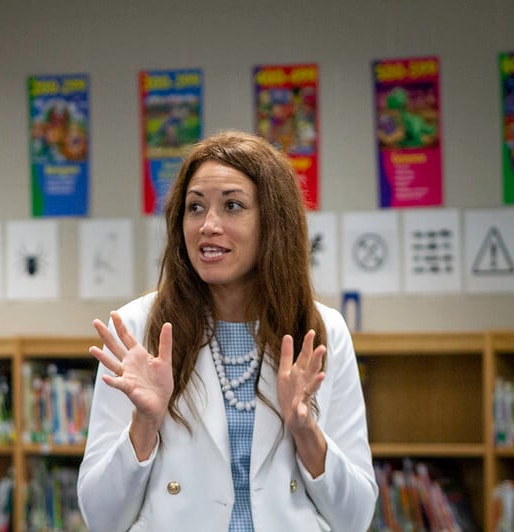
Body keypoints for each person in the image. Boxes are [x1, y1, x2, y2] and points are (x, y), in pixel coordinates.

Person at [77, 130, 377, 531]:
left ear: (273, 222)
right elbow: (101, 519)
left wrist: (306, 431)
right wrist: (144, 424)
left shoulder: (320, 331)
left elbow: (355, 518)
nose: (208, 225)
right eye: (195, 207)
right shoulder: (138, 329)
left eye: (232, 206)